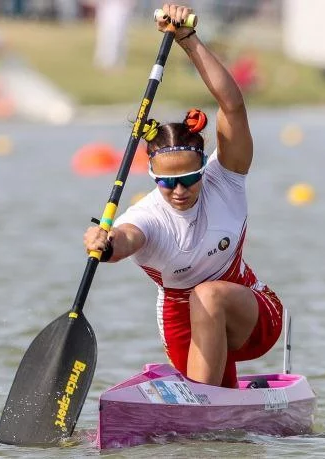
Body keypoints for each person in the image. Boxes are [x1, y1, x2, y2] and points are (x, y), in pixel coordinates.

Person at [84, 3, 283, 388]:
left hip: (251, 311)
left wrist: (187, 40)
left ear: (202, 168)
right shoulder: (147, 216)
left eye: (190, 178)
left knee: (208, 295)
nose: (179, 190)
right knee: (209, 425)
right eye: (166, 182)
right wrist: (104, 245)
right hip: (181, 323)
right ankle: (210, 415)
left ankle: (204, 410)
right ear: (153, 177)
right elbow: (124, 240)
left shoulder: (224, 180)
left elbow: (233, 106)